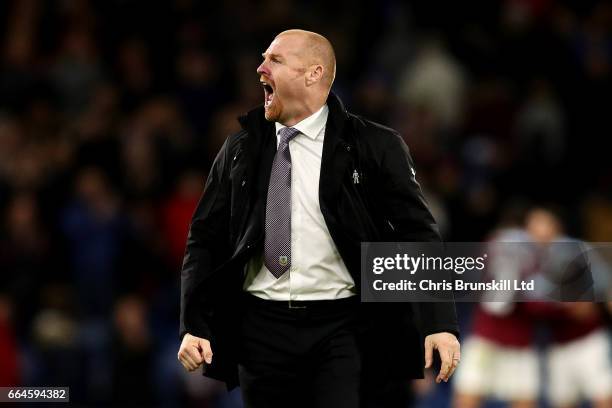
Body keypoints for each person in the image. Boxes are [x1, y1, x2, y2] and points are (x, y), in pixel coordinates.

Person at [177, 29, 460, 408]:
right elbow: (204, 239)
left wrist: (438, 322)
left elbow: (418, 234)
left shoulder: (374, 145)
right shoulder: (239, 148)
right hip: (260, 326)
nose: (260, 68)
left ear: (314, 73)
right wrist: (193, 324)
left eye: (274, 60)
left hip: (342, 326)